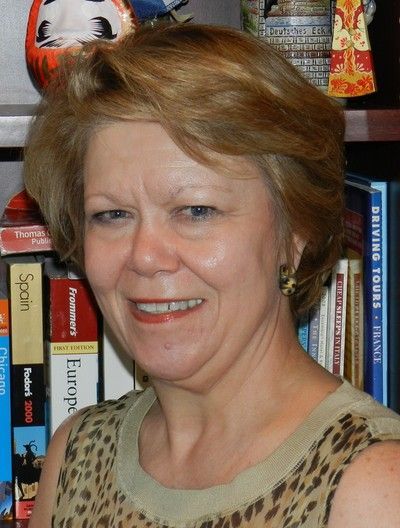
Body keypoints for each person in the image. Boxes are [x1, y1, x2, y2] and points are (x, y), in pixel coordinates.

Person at [24, 23, 400, 528]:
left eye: (196, 211)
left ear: (296, 232)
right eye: (111, 215)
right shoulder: (76, 458)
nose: (145, 257)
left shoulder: (373, 485)